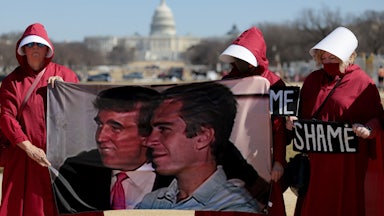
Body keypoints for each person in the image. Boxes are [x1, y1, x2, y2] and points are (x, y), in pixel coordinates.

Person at [286, 26, 384, 216]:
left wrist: (368, 129)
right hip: (315, 163)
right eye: (323, 58)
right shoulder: (312, 80)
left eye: (332, 58)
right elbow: (302, 114)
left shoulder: (363, 83)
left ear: (348, 56)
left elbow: (378, 118)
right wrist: (293, 122)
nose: (327, 62)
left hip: (347, 165)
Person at [136, 82, 260, 213]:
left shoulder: (235, 209)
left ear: (203, 137)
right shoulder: (152, 201)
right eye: (151, 129)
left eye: (164, 129)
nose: (149, 141)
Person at [0, 23, 79, 216]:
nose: (35, 48)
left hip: (61, 160)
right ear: (23, 49)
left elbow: (81, 112)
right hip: (25, 160)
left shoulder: (66, 75)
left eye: (39, 44)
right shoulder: (12, 82)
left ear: (47, 48)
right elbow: (6, 117)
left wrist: (66, 91)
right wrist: (29, 148)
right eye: (31, 44)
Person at [54, 86, 173, 213]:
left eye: (115, 128)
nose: (100, 137)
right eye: (100, 125)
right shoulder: (75, 171)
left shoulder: (178, 179)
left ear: (148, 134)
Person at [219, 26, 288, 215]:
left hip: (262, 160)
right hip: (230, 161)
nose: (239, 62)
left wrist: (279, 161)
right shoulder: (225, 82)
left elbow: (280, 127)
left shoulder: (275, 84)